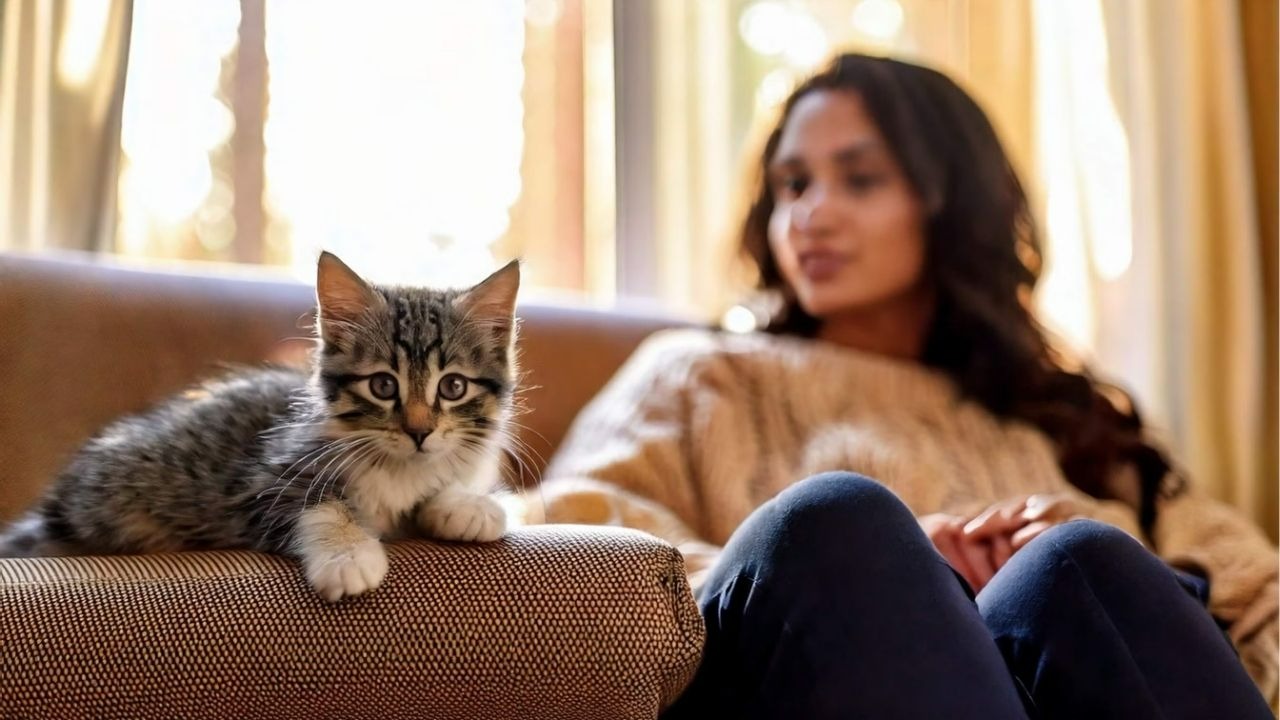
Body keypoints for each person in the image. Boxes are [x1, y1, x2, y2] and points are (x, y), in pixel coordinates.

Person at [526, 53, 1277, 718]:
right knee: (841, 520)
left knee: (1079, 560)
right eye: (792, 185)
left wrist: (1100, 551)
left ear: (949, 200)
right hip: (795, 679)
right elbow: (570, 541)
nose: (810, 215)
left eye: (859, 179)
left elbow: (1257, 592)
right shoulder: (697, 372)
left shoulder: (1062, 415)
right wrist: (900, 576)